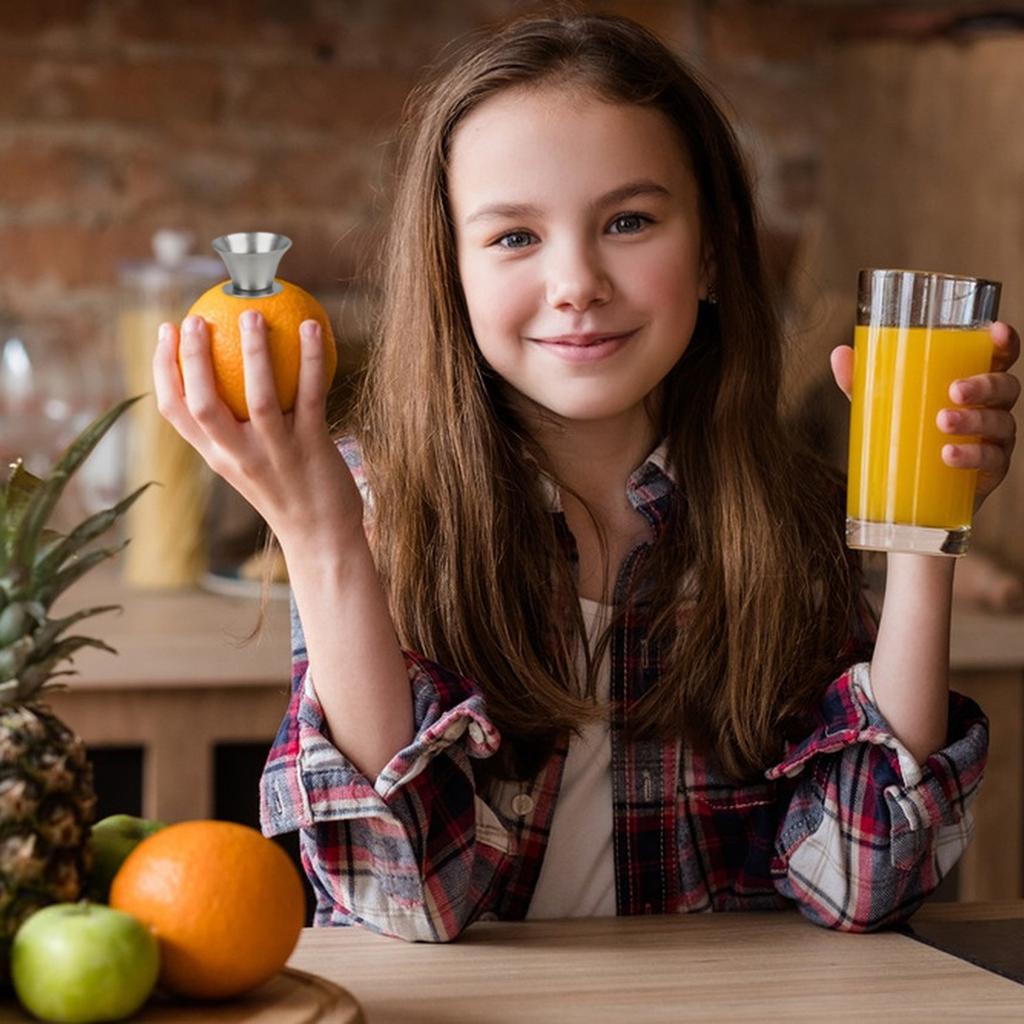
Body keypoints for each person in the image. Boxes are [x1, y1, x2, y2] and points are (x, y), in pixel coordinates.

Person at [153, 12, 1020, 940]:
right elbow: (407, 899)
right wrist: (322, 540)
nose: (577, 281)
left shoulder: (782, 515)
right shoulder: (376, 508)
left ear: (716, 249)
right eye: (514, 237)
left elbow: (860, 883)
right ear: (451, 274)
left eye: (629, 221)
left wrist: (927, 533)